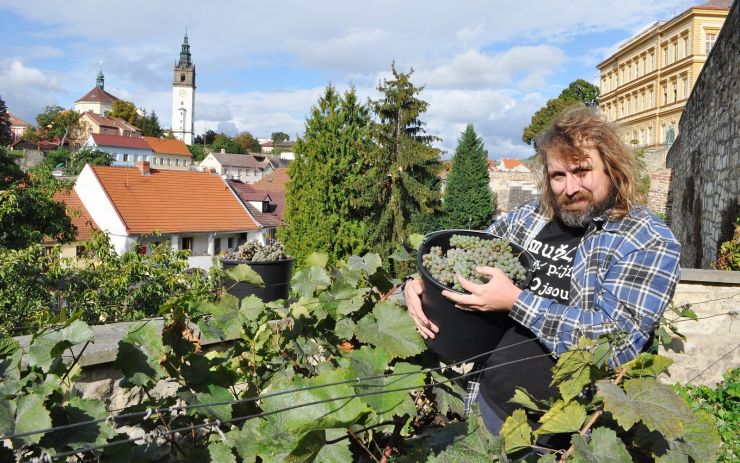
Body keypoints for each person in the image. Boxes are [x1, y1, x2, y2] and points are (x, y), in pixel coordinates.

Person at [404, 104, 681, 442]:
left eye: (581, 171)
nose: (569, 188)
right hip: (486, 403)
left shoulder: (645, 238)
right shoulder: (529, 219)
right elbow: (463, 257)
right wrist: (418, 285)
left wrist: (516, 302)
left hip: (560, 435)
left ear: (612, 169)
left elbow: (617, 342)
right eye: (558, 176)